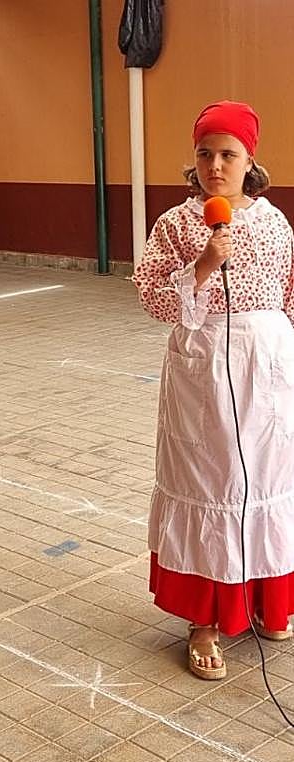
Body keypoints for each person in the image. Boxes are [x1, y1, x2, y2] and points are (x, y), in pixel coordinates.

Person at [133, 100, 294, 681]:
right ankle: (203, 620)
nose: (216, 165)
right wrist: (202, 264)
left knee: (268, 480)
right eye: (206, 153)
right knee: (212, 481)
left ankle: (265, 601)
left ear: (251, 159)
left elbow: (291, 293)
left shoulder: (275, 222)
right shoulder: (176, 225)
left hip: (269, 369)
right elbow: (153, 299)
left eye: (229, 154)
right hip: (204, 369)